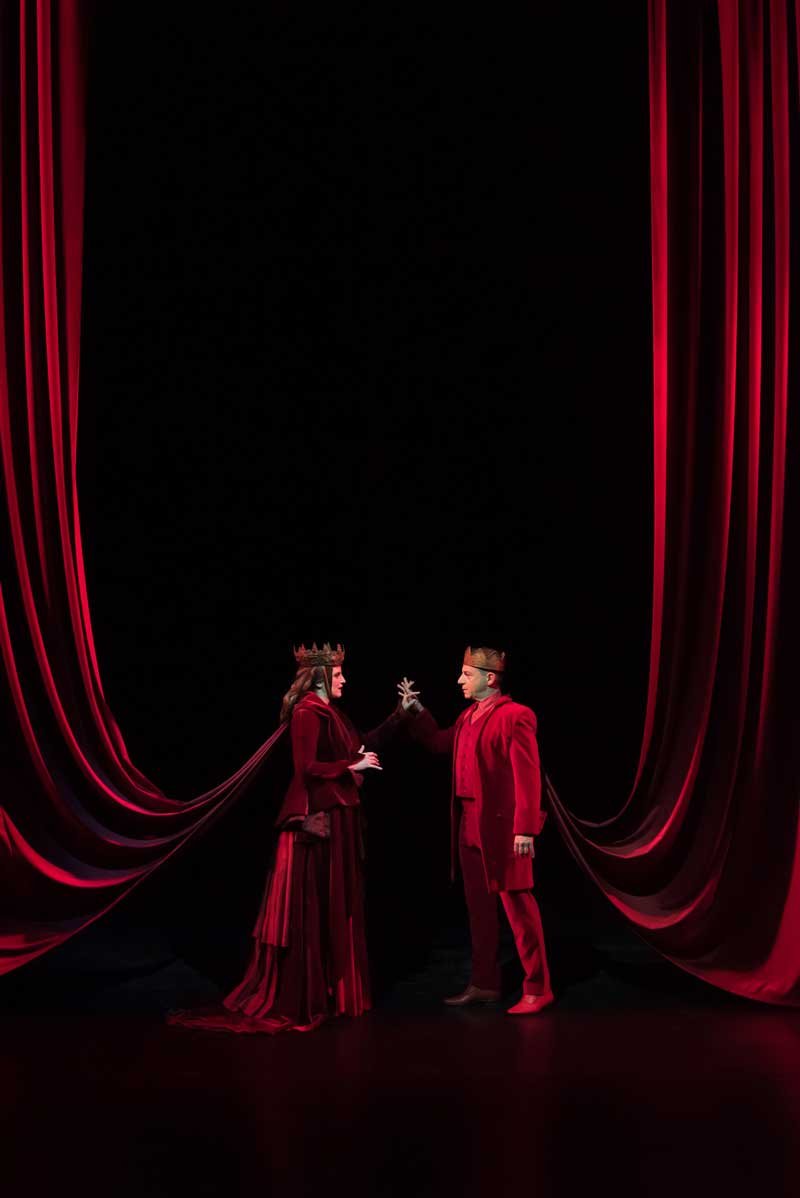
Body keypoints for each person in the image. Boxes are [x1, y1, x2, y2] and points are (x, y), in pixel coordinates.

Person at [170, 642, 404, 1034]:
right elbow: (306, 766)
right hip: (317, 820)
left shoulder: (333, 713)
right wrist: (352, 764)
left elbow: (361, 745)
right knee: (311, 906)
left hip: (338, 817)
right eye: (338, 674)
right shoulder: (307, 713)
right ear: (320, 676)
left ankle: (330, 991)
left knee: (334, 905)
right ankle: (305, 993)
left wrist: (399, 716)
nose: (344, 680)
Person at [398, 646, 553, 1015]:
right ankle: (485, 983)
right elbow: (440, 743)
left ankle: (538, 987)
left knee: (519, 908)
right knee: (479, 911)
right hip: (470, 824)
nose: (459, 680)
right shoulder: (467, 716)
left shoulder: (516, 716)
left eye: (467, 674)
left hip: (503, 828)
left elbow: (528, 776)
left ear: (490, 678)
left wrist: (525, 829)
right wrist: (416, 710)